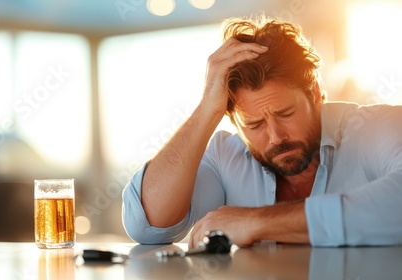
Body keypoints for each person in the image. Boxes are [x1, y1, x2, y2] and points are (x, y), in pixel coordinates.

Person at [121, 15, 402, 247]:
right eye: (254, 124)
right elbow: (148, 225)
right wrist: (207, 109)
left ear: (316, 93)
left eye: (286, 113)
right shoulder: (224, 156)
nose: (276, 136)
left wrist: (256, 221)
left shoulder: (375, 127)